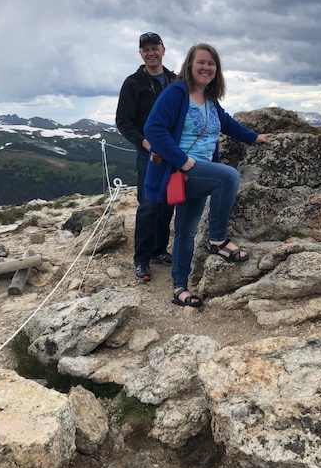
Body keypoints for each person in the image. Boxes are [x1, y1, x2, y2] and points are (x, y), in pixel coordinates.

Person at [144, 42, 273, 307]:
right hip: (183, 171)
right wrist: (184, 161)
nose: (206, 67)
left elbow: (227, 124)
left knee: (185, 231)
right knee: (228, 177)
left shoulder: (210, 100)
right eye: (201, 62)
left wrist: (255, 137)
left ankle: (179, 288)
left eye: (211, 63)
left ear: (217, 69)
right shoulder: (176, 93)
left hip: (199, 173)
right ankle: (217, 239)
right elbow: (153, 129)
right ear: (189, 65)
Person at [116, 32, 176, 281]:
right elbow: (123, 120)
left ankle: (159, 251)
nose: (151, 53)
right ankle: (141, 259)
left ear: (163, 50)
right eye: (146, 49)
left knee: (167, 203)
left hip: (172, 152)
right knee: (149, 204)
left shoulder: (175, 80)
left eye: (155, 48)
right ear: (141, 53)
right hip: (148, 153)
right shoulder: (133, 82)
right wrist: (144, 141)